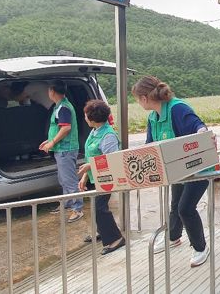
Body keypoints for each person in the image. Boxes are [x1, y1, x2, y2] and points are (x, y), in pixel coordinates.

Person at [132, 76, 211, 268]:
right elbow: (149, 146)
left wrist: (202, 133)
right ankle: (173, 237)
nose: (137, 102)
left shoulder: (177, 108)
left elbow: (198, 126)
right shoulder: (153, 117)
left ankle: (200, 247)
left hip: (198, 167)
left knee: (185, 208)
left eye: (136, 98)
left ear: (144, 98)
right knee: (175, 205)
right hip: (177, 170)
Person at [77, 100, 125, 255]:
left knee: (100, 207)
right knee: (95, 205)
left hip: (106, 177)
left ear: (92, 119)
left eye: (85, 116)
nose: (84, 118)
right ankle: (102, 231)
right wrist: (85, 176)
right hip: (94, 176)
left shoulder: (108, 135)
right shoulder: (95, 131)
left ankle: (115, 238)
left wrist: (89, 167)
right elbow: (91, 155)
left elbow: (110, 159)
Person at [39, 80, 83, 223]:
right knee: (63, 178)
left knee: (69, 180)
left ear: (52, 91)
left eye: (48, 90)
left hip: (66, 149)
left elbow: (66, 128)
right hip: (61, 148)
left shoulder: (63, 107)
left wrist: (52, 142)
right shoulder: (60, 106)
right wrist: (49, 141)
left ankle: (77, 209)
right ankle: (67, 203)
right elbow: (59, 128)